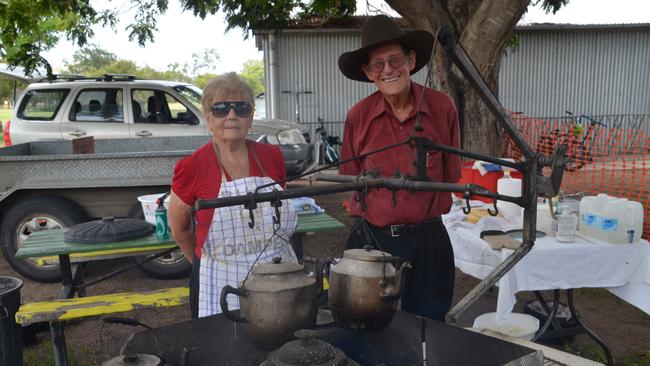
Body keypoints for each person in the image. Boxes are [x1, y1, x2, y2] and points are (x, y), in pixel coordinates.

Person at [337, 15, 461, 322]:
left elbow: (452, 174)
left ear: (411, 60)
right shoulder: (358, 116)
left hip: (429, 239)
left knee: (428, 326)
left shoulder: (442, 107)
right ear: (368, 73)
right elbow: (350, 180)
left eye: (395, 60)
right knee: (367, 324)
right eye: (377, 64)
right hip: (373, 239)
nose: (388, 70)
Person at [168, 73, 298, 318]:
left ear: (250, 117)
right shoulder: (191, 166)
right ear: (208, 118)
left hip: (275, 274)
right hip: (218, 278)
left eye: (241, 108)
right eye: (220, 109)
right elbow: (179, 229)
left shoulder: (272, 156)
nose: (231, 115)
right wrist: (204, 262)